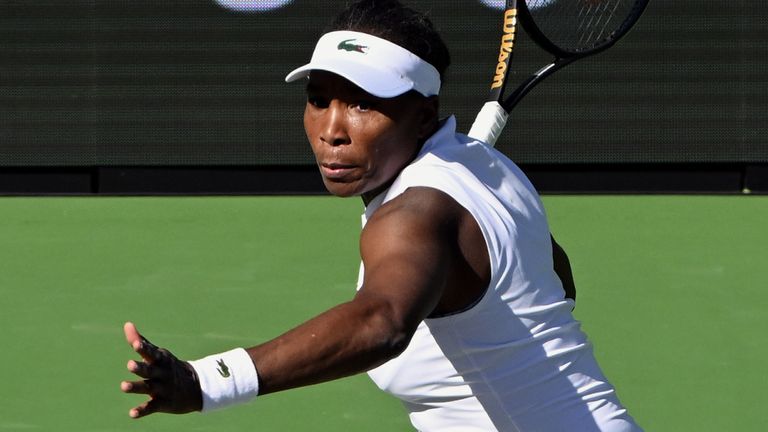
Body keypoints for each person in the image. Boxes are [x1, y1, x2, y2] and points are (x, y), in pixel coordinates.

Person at [120, 0, 641, 430]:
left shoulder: (416, 212)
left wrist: (209, 380)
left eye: (364, 105)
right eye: (319, 99)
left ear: (423, 117)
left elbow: (381, 322)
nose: (333, 129)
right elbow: (558, 283)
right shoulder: (485, 168)